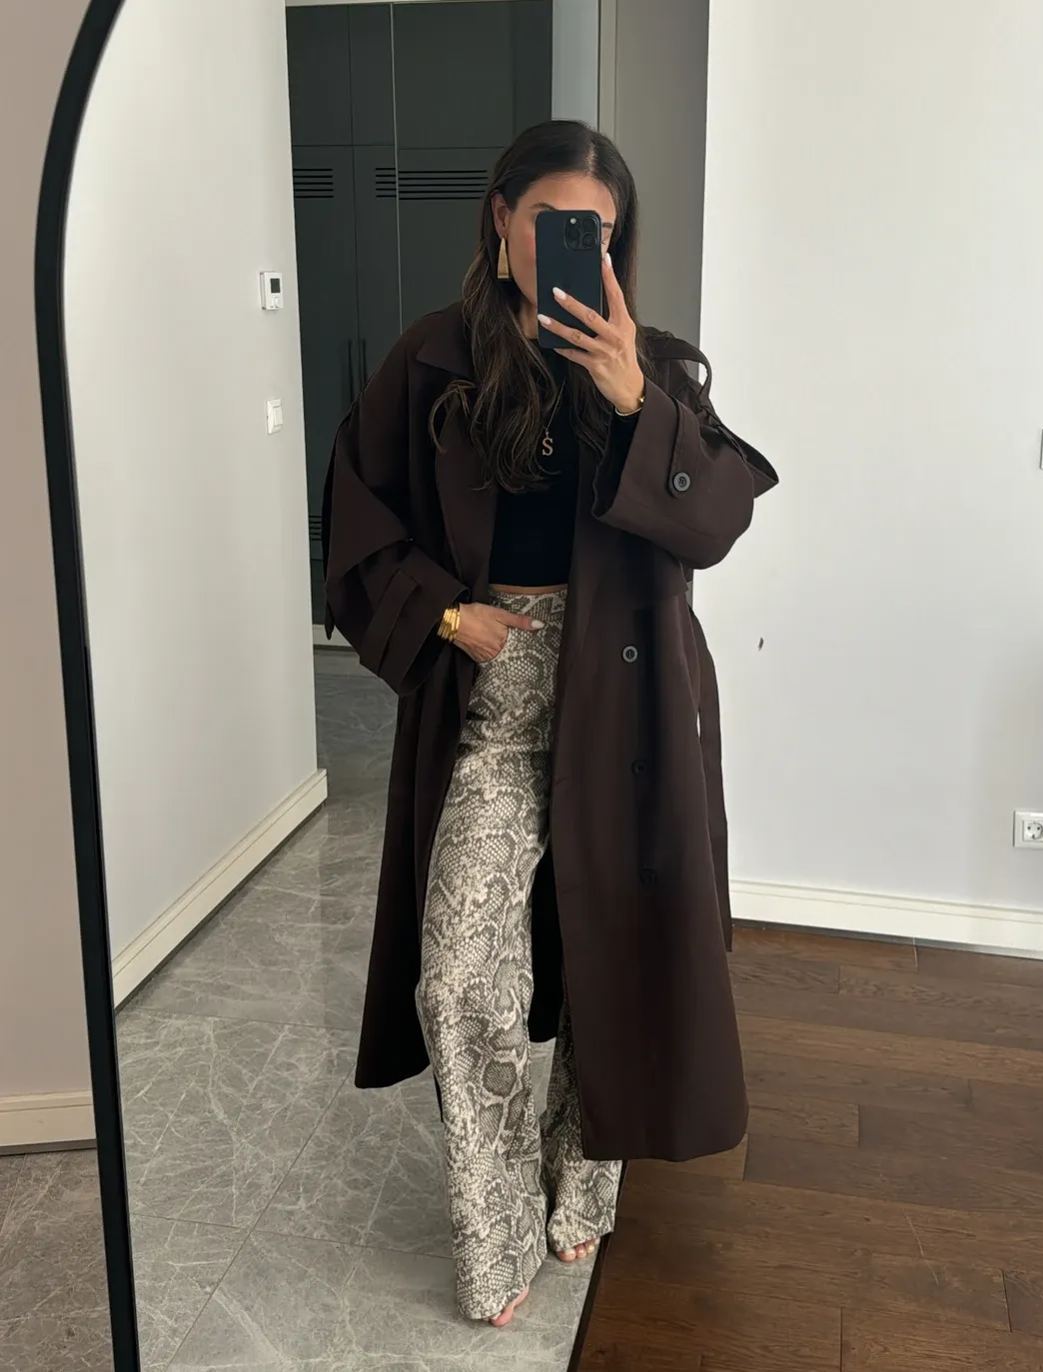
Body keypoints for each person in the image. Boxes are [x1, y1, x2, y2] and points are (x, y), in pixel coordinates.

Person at [321, 119, 779, 1330]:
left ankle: (583, 1177)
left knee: (608, 954)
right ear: (501, 218)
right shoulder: (432, 361)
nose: (578, 246)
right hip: (494, 693)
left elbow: (715, 521)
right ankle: (494, 1221)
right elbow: (355, 519)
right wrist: (447, 615)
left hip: (626, 698)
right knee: (456, 976)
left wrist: (631, 398)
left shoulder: (653, 368)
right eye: (554, 222)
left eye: (600, 232)